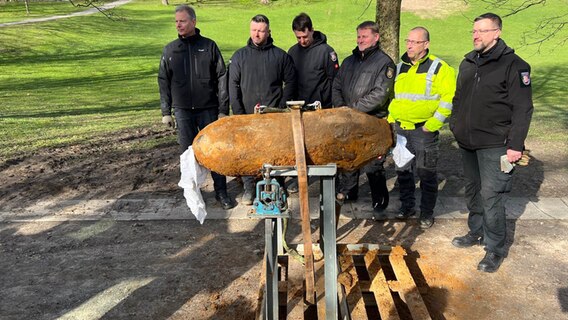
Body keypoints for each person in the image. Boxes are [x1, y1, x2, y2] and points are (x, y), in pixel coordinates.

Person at [449, 13, 533, 273]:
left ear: (496, 32)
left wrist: (516, 145)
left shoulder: (515, 65)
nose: (476, 35)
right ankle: (476, 231)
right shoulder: (468, 62)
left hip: (497, 144)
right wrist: (455, 124)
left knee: (492, 196)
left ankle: (494, 249)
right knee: (473, 191)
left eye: (482, 31)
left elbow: (523, 108)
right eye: (474, 31)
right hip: (467, 142)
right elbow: (458, 97)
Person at [157, 5, 235, 210]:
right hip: (182, 111)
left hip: (208, 109)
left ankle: (221, 192)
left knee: (215, 152)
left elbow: (222, 77)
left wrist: (222, 109)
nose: (178, 25)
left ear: (193, 22)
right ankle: (192, 194)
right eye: (176, 21)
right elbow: (163, 80)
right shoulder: (171, 50)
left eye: (182, 21)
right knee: (187, 154)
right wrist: (166, 112)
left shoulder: (208, 46)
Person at [387, 27, 456, 229]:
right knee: (403, 172)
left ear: (426, 44)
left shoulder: (440, 68)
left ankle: (426, 212)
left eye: (415, 42)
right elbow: (394, 98)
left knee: (426, 173)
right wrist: (392, 120)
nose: (409, 45)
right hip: (401, 130)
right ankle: (407, 207)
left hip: (423, 131)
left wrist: (433, 124)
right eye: (408, 41)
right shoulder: (400, 68)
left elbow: (449, 99)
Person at [228, 14, 297, 205]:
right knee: (247, 153)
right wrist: (239, 113)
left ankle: (279, 184)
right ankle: (249, 188)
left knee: (276, 151)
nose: (257, 34)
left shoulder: (280, 56)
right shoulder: (239, 56)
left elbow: (290, 81)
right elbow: (232, 85)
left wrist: (281, 107)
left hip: (273, 115)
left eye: (261, 31)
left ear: (268, 32)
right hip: (247, 115)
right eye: (254, 30)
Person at [332, 21, 395, 214]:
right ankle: (350, 192)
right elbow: (337, 84)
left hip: (371, 121)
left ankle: (380, 199)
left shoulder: (384, 63)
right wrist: (342, 108)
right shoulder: (349, 61)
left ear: (376, 38)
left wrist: (353, 110)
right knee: (349, 158)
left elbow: (380, 94)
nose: (360, 40)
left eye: (364, 36)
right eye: (358, 36)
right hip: (349, 120)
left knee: (372, 164)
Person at [286, 12, 339, 193]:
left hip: (321, 108)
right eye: (298, 37)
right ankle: (300, 177)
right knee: (299, 145)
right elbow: (290, 81)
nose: (302, 40)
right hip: (299, 108)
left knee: (324, 145)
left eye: (305, 36)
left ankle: (329, 180)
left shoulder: (326, 52)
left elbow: (335, 81)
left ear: (312, 31)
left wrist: (331, 106)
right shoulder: (292, 52)